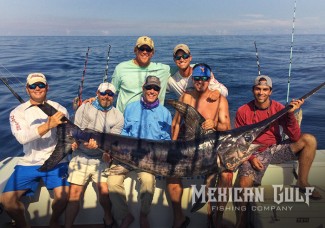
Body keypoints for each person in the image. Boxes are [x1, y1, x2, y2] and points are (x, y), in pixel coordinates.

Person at [234, 75, 322, 227]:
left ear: (270, 92)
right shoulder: (243, 111)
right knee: (243, 183)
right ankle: (241, 221)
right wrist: (251, 157)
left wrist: (290, 114)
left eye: (265, 89)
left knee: (309, 140)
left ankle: (303, 182)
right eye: (258, 89)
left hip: (275, 149)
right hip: (254, 152)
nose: (261, 92)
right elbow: (239, 142)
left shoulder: (279, 108)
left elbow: (295, 136)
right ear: (253, 90)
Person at [1, 73, 69, 228]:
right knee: (6, 200)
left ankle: (53, 221)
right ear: (27, 89)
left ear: (47, 87)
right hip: (28, 162)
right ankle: (23, 224)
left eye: (41, 85)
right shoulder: (17, 112)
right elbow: (22, 138)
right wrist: (48, 125)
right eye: (33, 86)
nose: (37, 88)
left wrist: (74, 143)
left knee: (64, 197)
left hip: (56, 160)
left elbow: (66, 137)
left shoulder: (59, 108)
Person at [171, 63, 232, 228]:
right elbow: (176, 123)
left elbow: (226, 127)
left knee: (226, 175)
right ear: (193, 79)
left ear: (210, 79)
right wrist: (173, 144)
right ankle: (179, 218)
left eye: (204, 78)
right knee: (171, 174)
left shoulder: (220, 99)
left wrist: (214, 124)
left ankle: (217, 218)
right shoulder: (186, 97)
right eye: (197, 78)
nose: (200, 82)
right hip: (189, 146)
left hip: (213, 146)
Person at [107, 76, 172, 228]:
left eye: (155, 88)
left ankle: (144, 214)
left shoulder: (165, 113)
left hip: (148, 161)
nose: (152, 91)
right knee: (112, 182)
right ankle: (125, 216)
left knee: (148, 183)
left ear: (159, 91)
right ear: (143, 88)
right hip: (126, 157)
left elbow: (166, 140)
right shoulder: (131, 107)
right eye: (149, 87)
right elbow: (123, 132)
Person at [65, 82, 124, 228]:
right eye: (103, 93)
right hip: (80, 156)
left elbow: (112, 144)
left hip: (100, 158)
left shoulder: (118, 116)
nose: (106, 96)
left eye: (110, 94)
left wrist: (107, 155)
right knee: (74, 195)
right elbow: (75, 133)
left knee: (104, 192)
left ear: (114, 97)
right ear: (97, 93)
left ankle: (108, 218)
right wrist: (77, 143)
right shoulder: (84, 108)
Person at [111, 35, 170, 113]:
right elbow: (111, 91)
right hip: (124, 120)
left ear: (152, 53)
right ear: (135, 50)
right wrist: (96, 100)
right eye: (142, 49)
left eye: (148, 49)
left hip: (153, 119)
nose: (145, 52)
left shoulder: (164, 69)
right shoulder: (121, 68)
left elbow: (185, 67)